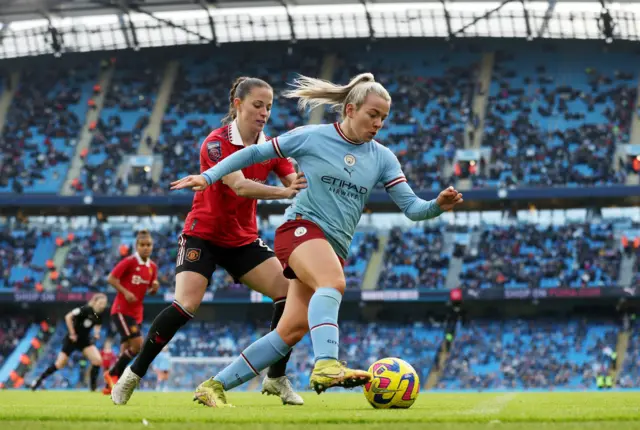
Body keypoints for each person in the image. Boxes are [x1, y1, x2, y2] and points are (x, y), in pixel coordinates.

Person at [170, 72, 464, 407]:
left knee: (290, 331)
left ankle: (213, 386)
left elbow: (413, 208)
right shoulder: (311, 137)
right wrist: (209, 176)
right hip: (300, 229)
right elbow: (251, 155)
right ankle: (327, 363)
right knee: (332, 282)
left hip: (332, 247)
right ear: (350, 110)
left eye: (383, 117)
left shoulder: (383, 158)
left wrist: (438, 206)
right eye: (373, 115)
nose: (378, 123)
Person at [111, 77, 308, 406]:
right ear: (238, 104)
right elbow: (239, 185)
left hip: (243, 240)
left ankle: (275, 377)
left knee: (290, 292)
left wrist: (310, 183)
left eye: (269, 107)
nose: (264, 112)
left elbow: (295, 182)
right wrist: (284, 192)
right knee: (186, 304)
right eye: (258, 105)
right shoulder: (216, 144)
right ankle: (133, 374)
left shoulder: (271, 147)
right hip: (203, 235)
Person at [103, 230, 159, 394]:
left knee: (126, 349)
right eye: (142, 245)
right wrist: (125, 292)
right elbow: (111, 279)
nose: (146, 248)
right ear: (137, 246)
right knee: (138, 345)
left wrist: (154, 289)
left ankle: (110, 386)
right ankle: (112, 374)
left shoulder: (152, 267)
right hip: (122, 310)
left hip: (137, 313)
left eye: (149, 245)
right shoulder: (129, 262)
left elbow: (150, 289)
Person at [30, 293, 108, 391]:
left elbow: (98, 324)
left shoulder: (99, 314)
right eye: (101, 303)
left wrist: (97, 333)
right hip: (72, 340)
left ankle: (93, 388)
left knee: (97, 360)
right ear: (94, 302)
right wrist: (72, 333)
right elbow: (68, 316)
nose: (102, 305)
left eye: (104, 303)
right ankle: (38, 381)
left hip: (85, 341)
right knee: (59, 364)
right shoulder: (84, 309)